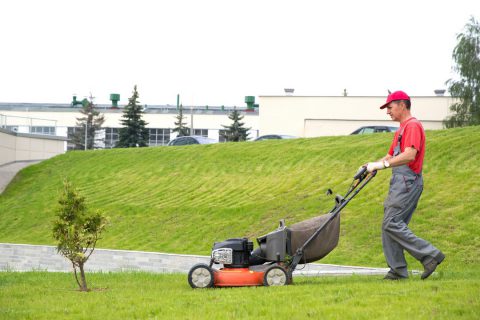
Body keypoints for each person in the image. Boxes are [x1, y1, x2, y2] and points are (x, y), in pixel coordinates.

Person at [365, 90, 444, 280]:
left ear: (402, 105)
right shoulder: (401, 129)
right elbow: (391, 156)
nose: (387, 112)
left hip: (408, 182)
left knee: (391, 223)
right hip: (400, 182)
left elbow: (409, 155)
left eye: (389, 107)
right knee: (389, 225)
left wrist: (382, 165)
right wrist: (370, 166)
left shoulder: (413, 126)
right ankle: (398, 271)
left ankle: (430, 255)